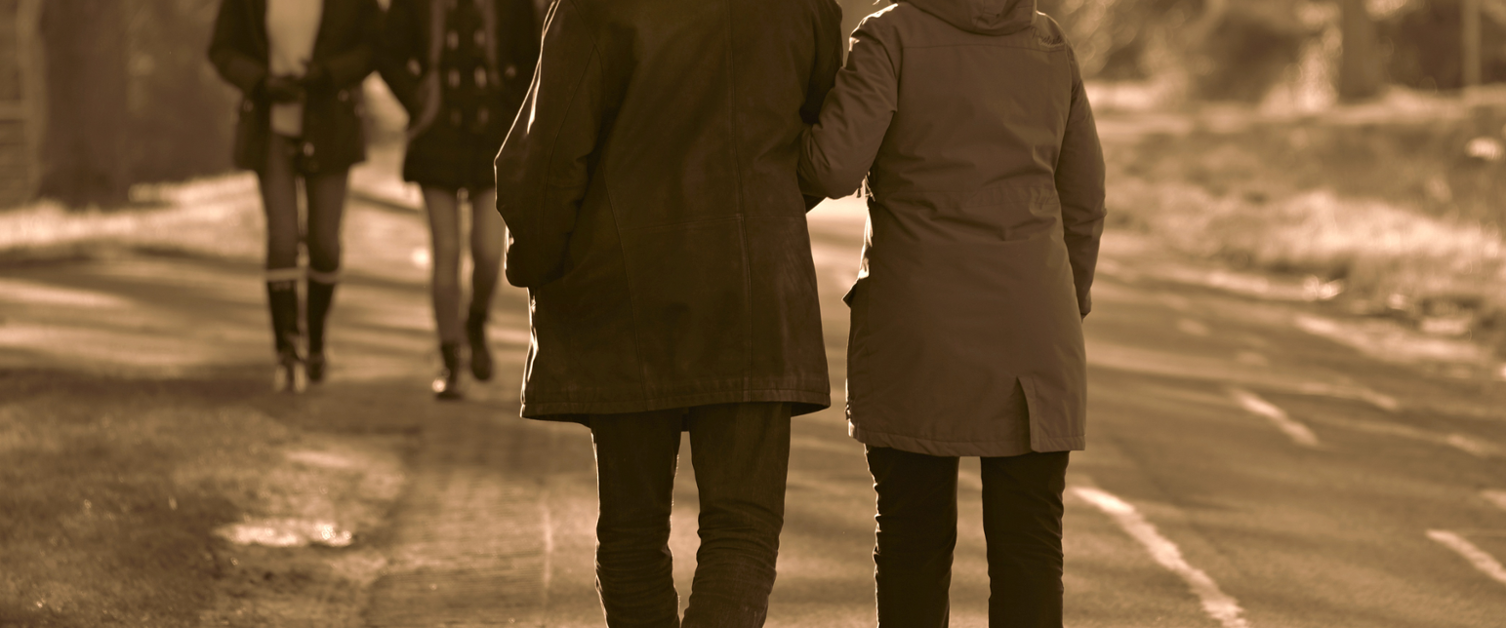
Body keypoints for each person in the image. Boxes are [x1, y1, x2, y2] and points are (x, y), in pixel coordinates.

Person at [494, 0, 842, 624]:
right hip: (756, 290)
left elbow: (546, 158)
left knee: (632, 533)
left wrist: (538, 260)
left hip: (626, 285)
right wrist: (763, 219)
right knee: (743, 531)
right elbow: (818, 140)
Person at [798, 0, 1106, 625]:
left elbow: (832, 166)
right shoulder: (1049, 44)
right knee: (1030, 545)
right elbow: (1085, 200)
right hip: (1034, 331)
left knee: (913, 536)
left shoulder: (890, 39)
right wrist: (1059, 304)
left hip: (918, 327)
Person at [209, 0, 381, 392]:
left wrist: (328, 75)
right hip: (270, 122)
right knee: (282, 239)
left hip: (331, 123)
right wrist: (260, 81)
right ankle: (287, 351)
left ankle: (316, 341)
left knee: (324, 244)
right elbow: (221, 49)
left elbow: (373, 48)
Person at [378, 0, 539, 400]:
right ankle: (451, 363)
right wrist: (418, 102)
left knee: (487, 251)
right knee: (445, 249)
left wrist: (515, 111)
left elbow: (536, 54)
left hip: (493, 133)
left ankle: (476, 323)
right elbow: (387, 53)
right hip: (436, 131)